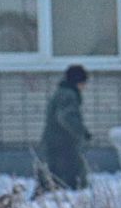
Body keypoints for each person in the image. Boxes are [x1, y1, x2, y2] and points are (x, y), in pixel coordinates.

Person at [38, 64, 92, 192]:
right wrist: (82, 132)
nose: (85, 86)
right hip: (63, 146)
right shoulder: (68, 95)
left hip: (55, 144)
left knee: (51, 180)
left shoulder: (61, 93)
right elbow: (66, 117)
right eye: (84, 82)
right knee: (69, 180)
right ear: (78, 81)